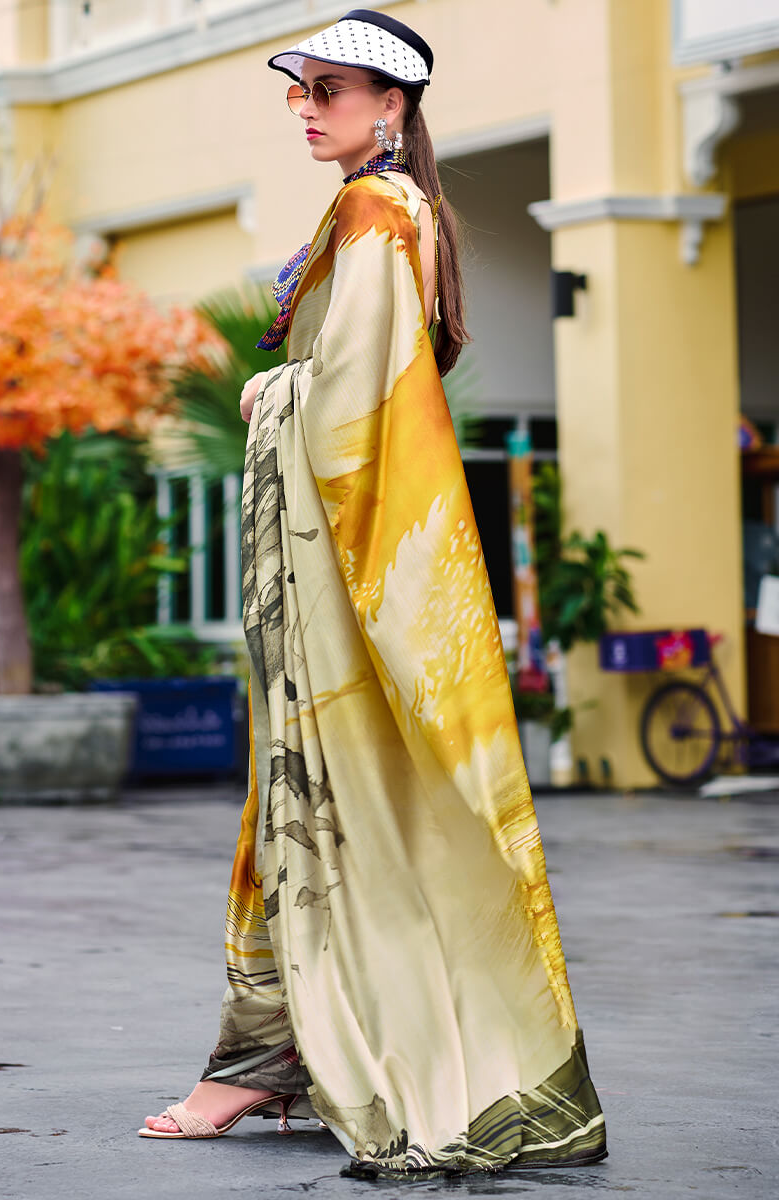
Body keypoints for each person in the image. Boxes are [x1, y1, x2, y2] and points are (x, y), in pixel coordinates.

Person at [140, 8, 607, 1179]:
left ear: (391, 105)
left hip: (348, 551)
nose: (309, 109)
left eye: (331, 91)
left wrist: (273, 394)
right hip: (365, 547)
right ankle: (272, 1056)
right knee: (345, 792)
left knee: (326, 787)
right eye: (299, 92)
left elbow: (359, 390)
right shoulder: (404, 209)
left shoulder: (374, 206)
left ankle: (283, 1062)